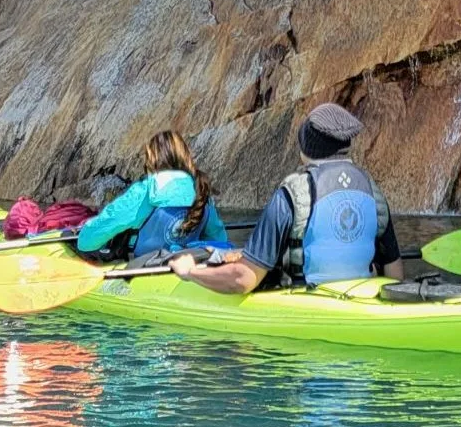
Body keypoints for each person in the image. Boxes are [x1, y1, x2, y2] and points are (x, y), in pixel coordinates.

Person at [169, 103, 403, 292]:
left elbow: (243, 280)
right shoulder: (372, 191)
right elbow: (395, 274)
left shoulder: (293, 194)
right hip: (362, 297)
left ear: (305, 146)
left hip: (306, 303)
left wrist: (191, 272)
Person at [75, 128, 229, 260]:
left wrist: (83, 235)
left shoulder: (144, 191)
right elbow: (217, 238)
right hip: (184, 264)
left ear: (151, 160)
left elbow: (87, 242)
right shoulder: (200, 188)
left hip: (144, 269)